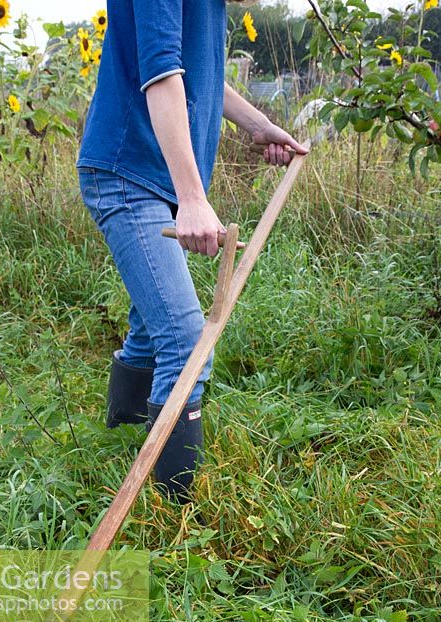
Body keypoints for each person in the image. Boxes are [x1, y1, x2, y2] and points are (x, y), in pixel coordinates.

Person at [77, 0, 308, 504]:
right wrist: (193, 199)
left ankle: (117, 443)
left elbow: (199, 73)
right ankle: (173, 511)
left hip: (155, 177)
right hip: (128, 173)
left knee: (150, 327)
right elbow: (161, 76)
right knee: (185, 341)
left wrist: (257, 123)